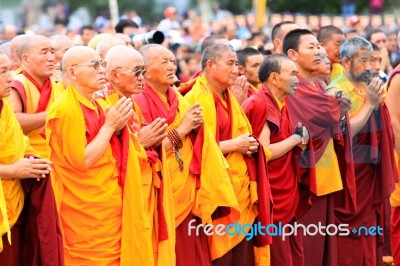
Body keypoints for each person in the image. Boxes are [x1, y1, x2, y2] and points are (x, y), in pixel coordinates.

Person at [134, 44, 240, 266]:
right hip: (163, 196)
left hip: (190, 191)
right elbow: (145, 155)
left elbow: (204, 145)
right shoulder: (139, 103)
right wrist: (182, 130)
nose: (172, 66)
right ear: (145, 70)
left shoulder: (178, 99)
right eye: (163, 62)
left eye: (172, 61)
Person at [45, 46, 151, 265]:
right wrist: (111, 126)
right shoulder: (65, 109)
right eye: (94, 65)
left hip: (108, 205)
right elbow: (82, 161)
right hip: (84, 215)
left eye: (102, 64)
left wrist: (121, 128)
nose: (102, 70)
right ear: (73, 72)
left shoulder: (97, 105)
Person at [185, 43, 272, 266]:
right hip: (219, 196)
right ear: (211, 65)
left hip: (238, 190)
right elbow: (196, 151)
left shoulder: (228, 96)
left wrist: (247, 145)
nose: (237, 69)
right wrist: (237, 144)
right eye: (231, 63)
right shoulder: (198, 97)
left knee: (242, 258)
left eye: (236, 64)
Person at [283, 29, 356, 266]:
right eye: (311, 47)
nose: (318, 52)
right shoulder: (293, 89)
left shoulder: (316, 86)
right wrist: (335, 108)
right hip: (307, 184)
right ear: (292, 54)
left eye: (318, 46)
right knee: (309, 252)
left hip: (326, 178)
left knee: (323, 252)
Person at [101, 45, 175, 266]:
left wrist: (146, 143)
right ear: (115, 74)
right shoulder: (103, 105)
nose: (143, 78)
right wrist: (141, 143)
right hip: (117, 198)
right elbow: (102, 158)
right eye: (137, 72)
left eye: (143, 71)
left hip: (143, 189)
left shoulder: (130, 103)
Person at [327, 36, 397, 265]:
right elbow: (341, 134)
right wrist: (369, 104)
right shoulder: (337, 91)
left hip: (368, 175)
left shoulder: (368, 86)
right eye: (364, 61)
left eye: (373, 60)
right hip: (349, 182)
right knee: (349, 246)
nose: (370, 67)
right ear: (346, 63)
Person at [242, 54, 308, 266]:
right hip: (269, 193)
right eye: (293, 73)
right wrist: (295, 139)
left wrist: (297, 142)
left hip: (284, 189)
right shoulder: (260, 103)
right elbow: (265, 152)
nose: (298, 78)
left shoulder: (281, 103)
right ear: (275, 78)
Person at [0, 52, 63, 265]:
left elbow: (19, 142)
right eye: (3, 72)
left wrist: (31, 159)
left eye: (9, 70)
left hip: (11, 203)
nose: (11, 77)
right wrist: (13, 171)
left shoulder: (5, 107)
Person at [8, 35, 63, 159]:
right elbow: (12, 121)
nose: (51, 58)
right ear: (26, 59)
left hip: (58, 158)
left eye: (52, 52)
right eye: (44, 53)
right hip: (29, 159)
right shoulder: (16, 84)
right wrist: (54, 114)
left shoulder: (57, 84)